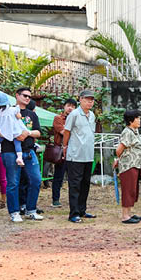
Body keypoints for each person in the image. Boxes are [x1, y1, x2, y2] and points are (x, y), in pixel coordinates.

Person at [0, 89, 43, 223]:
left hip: (29, 151)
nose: (27, 98)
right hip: (10, 151)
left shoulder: (31, 114)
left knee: (36, 180)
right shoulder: (5, 111)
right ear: (17, 96)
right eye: (25, 96)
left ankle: (31, 210)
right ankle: (14, 212)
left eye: (29, 96)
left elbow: (38, 132)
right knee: (13, 182)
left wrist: (26, 133)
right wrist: (14, 134)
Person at [62, 90, 97, 223]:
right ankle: (74, 213)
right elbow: (67, 132)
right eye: (87, 99)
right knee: (75, 184)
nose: (90, 102)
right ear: (80, 100)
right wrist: (65, 147)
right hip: (75, 155)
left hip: (88, 155)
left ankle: (82, 210)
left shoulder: (92, 115)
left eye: (92, 100)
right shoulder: (74, 114)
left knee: (85, 184)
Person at [114, 110, 141, 224]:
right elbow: (119, 150)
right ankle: (125, 216)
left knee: (132, 190)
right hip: (128, 165)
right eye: (137, 118)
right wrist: (120, 159)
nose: (139, 120)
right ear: (131, 120)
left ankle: (129, 213)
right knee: (128, 190)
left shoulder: (135, 131)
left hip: (135, 165)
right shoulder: (127, 132)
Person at [51, 98, 77, 208]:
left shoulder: (77, 118)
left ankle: (74, 200)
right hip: (61, 151)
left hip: (74, 151)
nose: (70, 108)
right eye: (68, 105)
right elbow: (64, 132)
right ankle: (55, 199)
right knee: (58, 176)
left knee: (74, 177)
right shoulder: (58, 118)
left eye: (73, 106)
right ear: (64, 106)